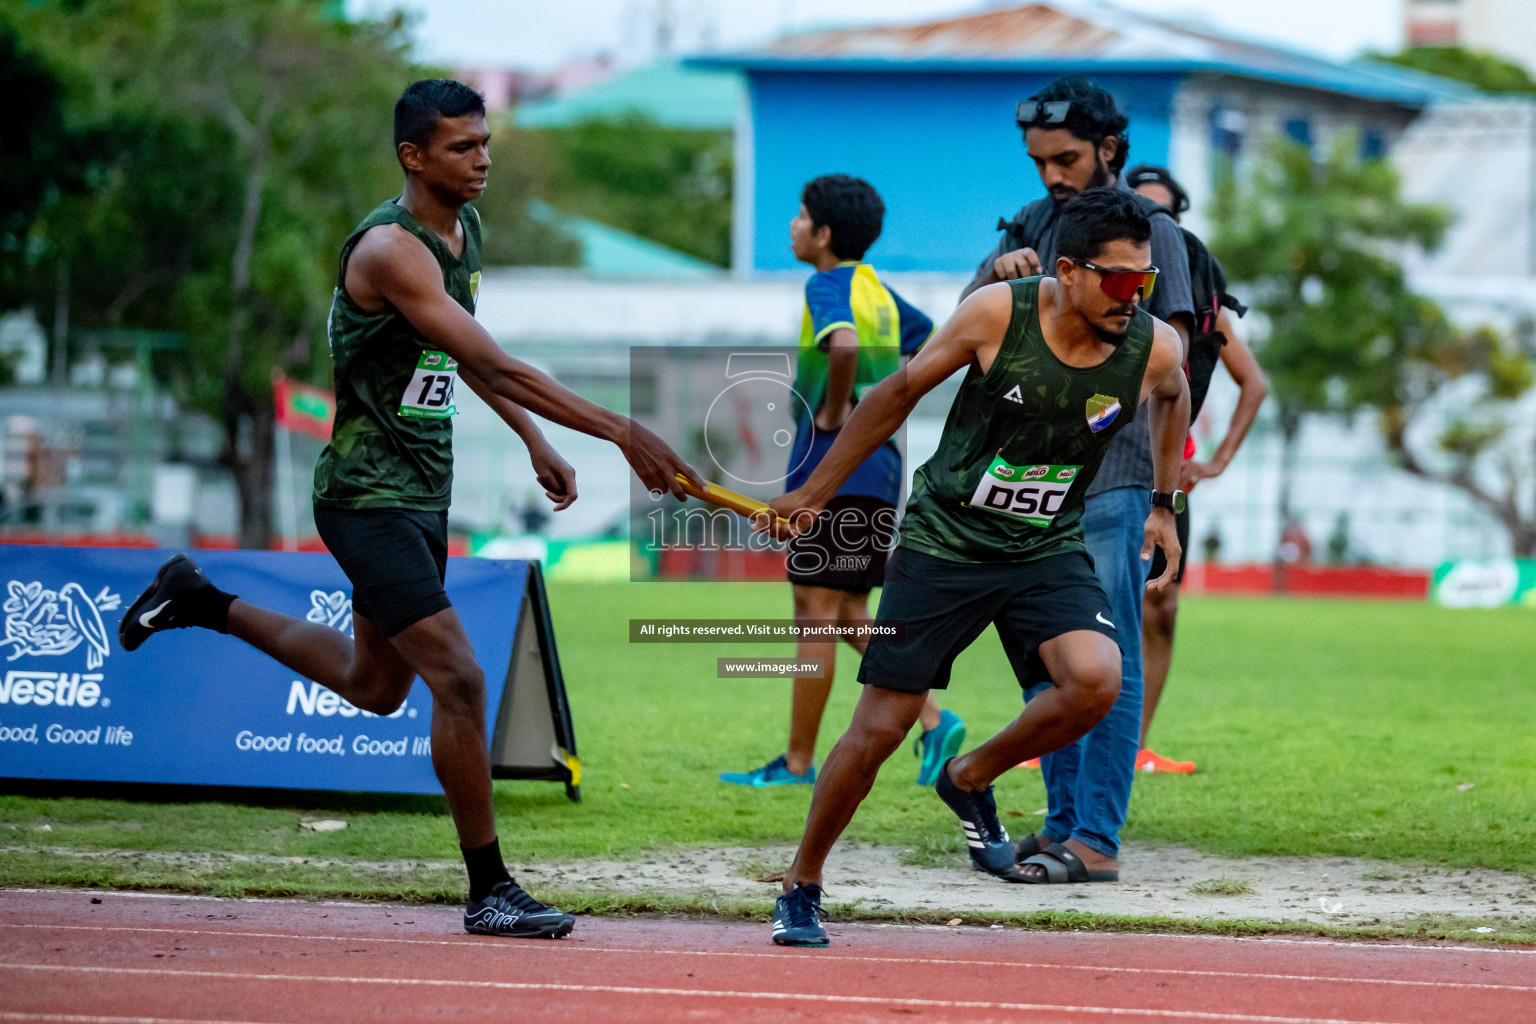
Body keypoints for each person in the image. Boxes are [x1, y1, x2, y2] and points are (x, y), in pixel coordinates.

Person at [116, 79, 699, 939]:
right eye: (464, 147)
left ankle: (201, 601)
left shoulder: (461, 233)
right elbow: (494, 361)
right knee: (459, 680)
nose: (485, 159)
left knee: (375, 686)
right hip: (365, 498)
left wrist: (534, 440)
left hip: (423, 493)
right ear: (413, 156)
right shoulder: (389, 250)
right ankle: (489, 890)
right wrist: (620, 431)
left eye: (486, 143)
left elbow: (461, 356)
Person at [763, 188, 1189, 946]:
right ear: (1070, 271)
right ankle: (802, 882)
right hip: (946, 542)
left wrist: (1163, 502)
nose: (1135, 298)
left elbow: (1174, 395)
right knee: (883, 725)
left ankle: (968, 776)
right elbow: (895, 392)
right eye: (1120, 282)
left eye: (1145, 282)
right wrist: (814, 492)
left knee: (1095, 680)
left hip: (1044, 543)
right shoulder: (999, 315)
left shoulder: (1152, 345)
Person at [962, 76, 1196, 884]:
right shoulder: (1028, 224)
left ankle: (1095, 837)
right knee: (1049, 661)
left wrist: (1165, 501)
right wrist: (1002, 277)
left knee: (1109, 656)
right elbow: (969, 328)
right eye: (1039, 161)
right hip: (1032, 481)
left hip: (1116, 478)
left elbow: (1177, 363)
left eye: (1066, 158)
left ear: (1111, 149)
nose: (1052, 176)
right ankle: (1061, 823)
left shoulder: (1149, 232)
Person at [720, 175, 965, 790]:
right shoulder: (878, 292)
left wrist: (834, 411)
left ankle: (798, 763)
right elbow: (931, 338)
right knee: (849, 609)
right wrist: (886, 402)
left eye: (800, 217)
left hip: (833, 465)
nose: (793, 227)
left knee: (814, 611)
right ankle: (935, 719)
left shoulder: (825, 284)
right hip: (879, 466)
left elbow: (845, 347)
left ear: (824, 234)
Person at [1125, 165, 1268, 773]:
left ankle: (1134, 747)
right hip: (1099, 469)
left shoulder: (1203, 303)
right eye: (1142, 214)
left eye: (1163, 215)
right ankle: (1060, 734)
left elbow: (1253, 384)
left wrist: (1215, 462)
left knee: (1161, 607)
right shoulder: (1106, 290)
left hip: (1168, 477)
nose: (1155, 227)